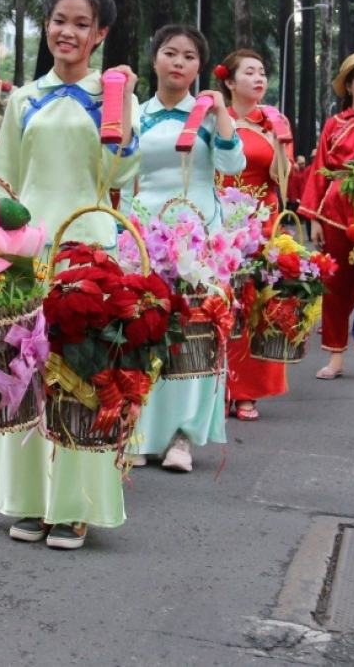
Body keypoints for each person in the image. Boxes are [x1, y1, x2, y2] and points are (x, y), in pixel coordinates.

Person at [0, 0, 140, 551]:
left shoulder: (116, 96)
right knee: (23, 375)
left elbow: (119, 176)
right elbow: (3, 179)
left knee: (81, 379)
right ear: (45, 26)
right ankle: (27, 500)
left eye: (81, 24)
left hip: (89, 250)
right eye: (58, 21)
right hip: (27, 252)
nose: (67, 32)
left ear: (100, 35)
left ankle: (74, 506)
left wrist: (117, 111)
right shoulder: (24, 99)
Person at [128, 25, 241, 470]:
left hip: (200, 234)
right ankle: (140, 430)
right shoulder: (138, 114)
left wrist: (222, 115)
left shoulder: (208, 115)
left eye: (189, 56)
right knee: (144, 328)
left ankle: (183, 436)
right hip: (146, 232)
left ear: (200, 67)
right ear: (153, 60)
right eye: (170, 53)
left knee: (195, 332)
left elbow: (233, 164)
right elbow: (121, 173)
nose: (179, 62)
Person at [299, 52, 354, 384]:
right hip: (336, 210)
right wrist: (315, 218)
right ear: (348, 87)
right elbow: (320, 170)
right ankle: (335, 356)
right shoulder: (335, 124)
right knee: (335, 288)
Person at [217, 49, 294, 421]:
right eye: (249, 72)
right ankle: (217, 385)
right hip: (219, 222)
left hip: (262, 221)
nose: (259, 78)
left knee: (255, 305)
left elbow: (282, 181)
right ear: (230, 82)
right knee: (219, 303)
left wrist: (280, 143)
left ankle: (247, 391)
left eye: (262, 72)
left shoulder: (274, 122)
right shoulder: (217, 119)